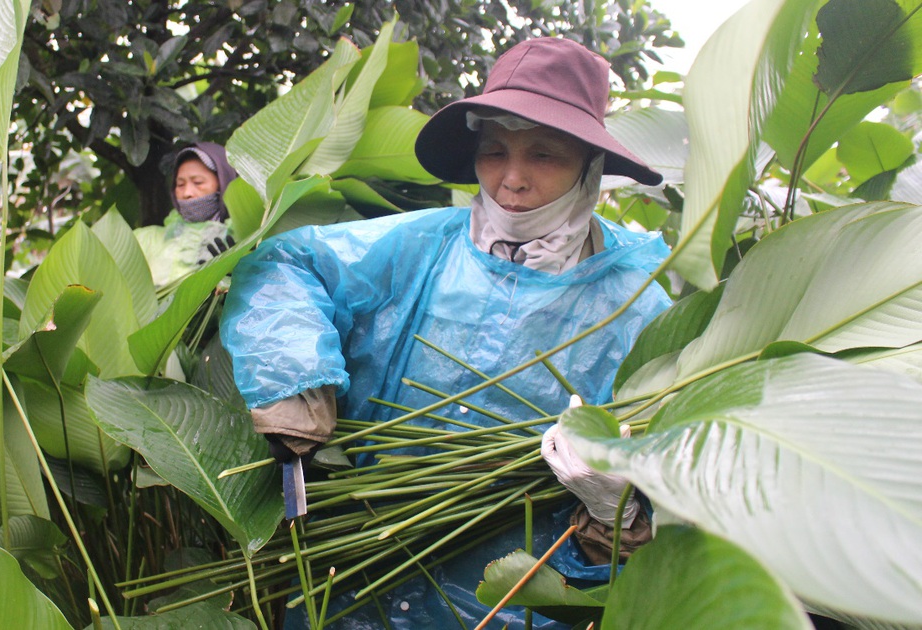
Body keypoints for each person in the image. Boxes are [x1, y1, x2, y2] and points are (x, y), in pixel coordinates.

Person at [220, 37, 671, 627]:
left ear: (590, 165)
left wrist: (618, 514)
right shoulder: (418, 247)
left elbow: (660, 532)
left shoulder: (637, 309)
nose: (511, 178)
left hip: (497, 607)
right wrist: (296, 374)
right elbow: (283, 265)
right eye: (494, 150)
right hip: (351, 586)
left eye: (544, 155)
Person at [134, 141, 239, 288]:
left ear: (222, 183)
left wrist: (236, 276)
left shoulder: (248, 236)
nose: (187, 193)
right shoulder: (144, 239)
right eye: (180, 184)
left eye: (198, 182)